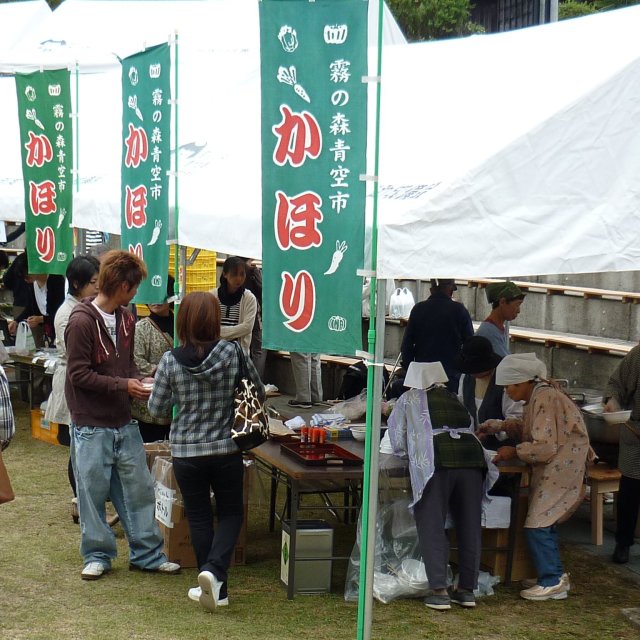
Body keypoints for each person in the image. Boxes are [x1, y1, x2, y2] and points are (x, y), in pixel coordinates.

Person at [65, 250, 180, 580]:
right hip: (90, 423)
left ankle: (147, 554)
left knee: (139, 489)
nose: (137, 293)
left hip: (122, 418)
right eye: (135, 287)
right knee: (92, 492)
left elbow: (126, 364)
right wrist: (124, 385)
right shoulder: (82, 321)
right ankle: (97, 554)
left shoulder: (127, 316)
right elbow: (78, 375)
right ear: (124, 286)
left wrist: (140, 379)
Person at [148, 291, 264, 611]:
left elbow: (156, 409)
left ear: (182, 320)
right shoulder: (231, 352)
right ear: (214, 320)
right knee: (230, 513)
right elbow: (258, 391)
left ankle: (213, 583)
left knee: (198, 516)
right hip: (226, 449)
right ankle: (214, 576)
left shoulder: (170, 360)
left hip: (186, 452)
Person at [387, 362, 495, 611]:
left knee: (432, 523)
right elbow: (470, 426)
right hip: (472, 460)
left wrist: (408, 455)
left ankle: (439, 590)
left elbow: (397, 439)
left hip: (436, 461)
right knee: (470, 524)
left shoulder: (408, 398)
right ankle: (467, 590)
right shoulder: (454, 398)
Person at [485, 353, 591, 601]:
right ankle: (552, 573)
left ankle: (552, 580)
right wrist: (499, 426)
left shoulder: (545, 397)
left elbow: (544, 446)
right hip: (560, 467)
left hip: (562, 468)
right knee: (546, 520)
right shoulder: (540, 396)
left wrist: (514, 450)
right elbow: (531, 428)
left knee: (538, 524)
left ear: (525, 382)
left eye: (512, 386)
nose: (508, 392)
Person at [44, 255, 101, 521]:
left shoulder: (84, 307)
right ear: (77, 283)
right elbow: (79, 354)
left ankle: (84, 501)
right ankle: (79, 501)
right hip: (72, 381)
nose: (98, 287)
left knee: (82, 446)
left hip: (80, 379)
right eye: (93, 282)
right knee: (77, 447)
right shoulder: (68, 313)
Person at [400, 278, 473, 393]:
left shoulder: (418, 309)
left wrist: (412, 371)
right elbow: (470, 344)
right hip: (450, 377)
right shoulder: (459, 310)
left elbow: (406, 347)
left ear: (431, 290)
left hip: (422, 377)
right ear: (450, 290)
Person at [603, 345, 640, 564]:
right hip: (636, 435)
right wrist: (613, 401)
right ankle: (623, 543)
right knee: (631, 491)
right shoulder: (638, 356)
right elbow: (616, 384)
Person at [454, 335, 523, 450]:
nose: (472, 373)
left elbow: (516, 419)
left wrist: (494, 430)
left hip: (503, 451)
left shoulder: (506, 382)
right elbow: (463, 406)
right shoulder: (465, 378)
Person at [131, 276, 175, 442]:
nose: (155, 300)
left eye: (160, 294)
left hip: (176, 398)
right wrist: (165, 371)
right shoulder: (141, 328)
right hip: (149, 402)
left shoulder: (181, 324)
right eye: (152, 294)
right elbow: (137, 362)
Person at [5, 252, 65, 347]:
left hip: (60, 329)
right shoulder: (31, 284)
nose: (25, 279)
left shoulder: (56, 281)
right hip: (48, 332)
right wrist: (16, 321)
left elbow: (61, 312)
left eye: (26, 275)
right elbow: (29, 307)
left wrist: (42, 319)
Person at [210, 256, 257, 354]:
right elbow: (207, 327)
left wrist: (218, 333)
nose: (239, 278)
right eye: (234, 274)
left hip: (238, 353)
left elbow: (247, 328)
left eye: (242, 274)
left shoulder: (249, 298)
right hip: (213, 351)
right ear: (225, 274)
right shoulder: (212, 296)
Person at [475, 281, 526, 357]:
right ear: (502, 302)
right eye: (517, 304)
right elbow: (503, 362)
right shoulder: (489, 332)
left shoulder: (497, 328)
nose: (518, 310)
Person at [240, 256, 266, 379]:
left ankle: (246, 381)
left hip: (240, 312)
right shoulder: (252, 269)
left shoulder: (235, 266)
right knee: (259, 349)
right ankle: (256, 382)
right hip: (255, 313)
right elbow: (263, 289)